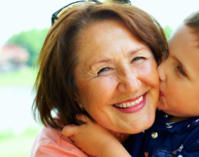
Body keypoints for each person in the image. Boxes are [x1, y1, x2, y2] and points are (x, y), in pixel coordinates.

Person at [62, 4, 199, 157]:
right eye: (165, 54)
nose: (160, 70)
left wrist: (106, 149)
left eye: (180, 70)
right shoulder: (156, 108)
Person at [30, 0, 168, 156]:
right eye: (104, 70)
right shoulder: (54, 151)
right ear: (72, 91)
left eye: (138, 59)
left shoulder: (179, 110)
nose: (132, 85)